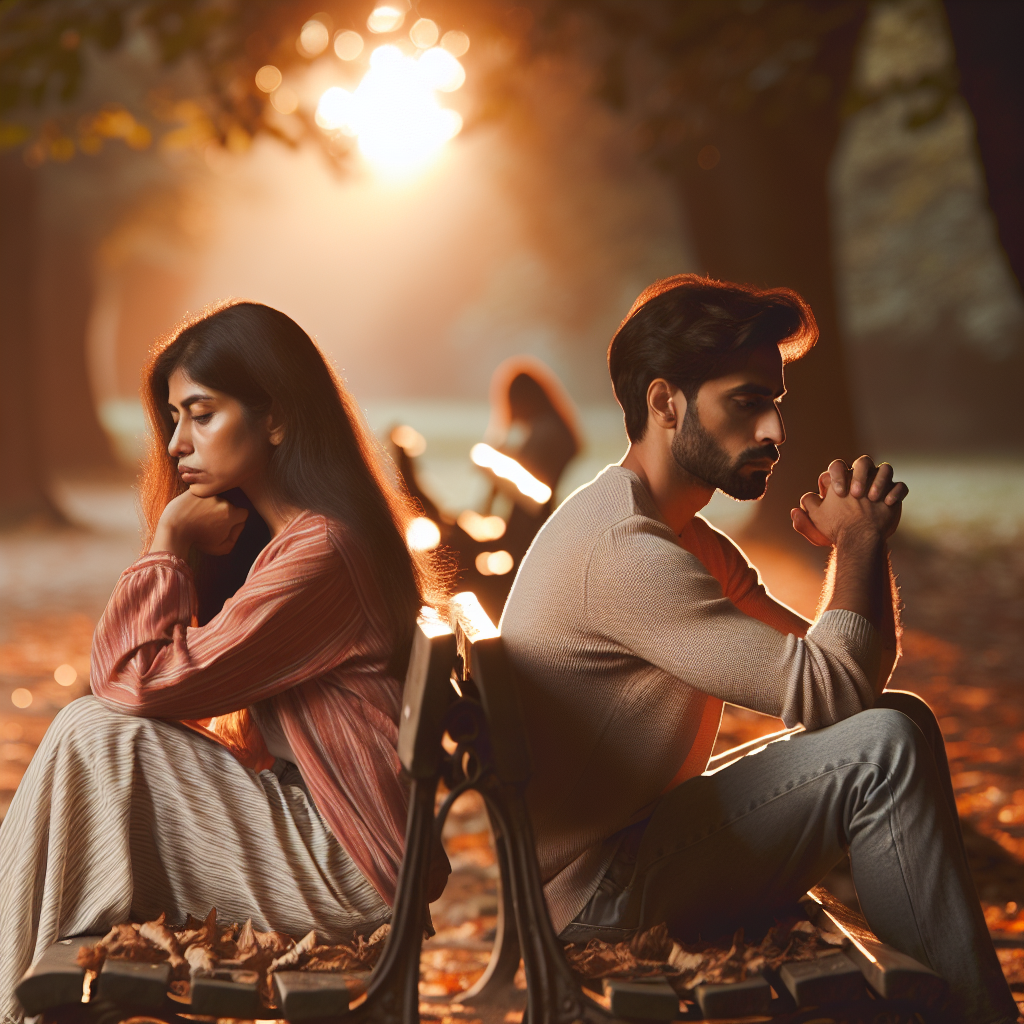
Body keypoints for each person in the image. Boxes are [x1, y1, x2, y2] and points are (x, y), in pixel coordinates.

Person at [500, 275, 1017, 1024]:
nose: (775, 430)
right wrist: (861, 541)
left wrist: (855, 555)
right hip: (589, 900)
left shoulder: (681, 536)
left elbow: (850, 683)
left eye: (776, 403)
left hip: (626, 855)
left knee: (894, 723)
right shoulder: (626, 551)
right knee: (883, 746)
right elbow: (837, 692)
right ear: (664, 401)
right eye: (747, 402)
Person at [0, 301, 449, 1020]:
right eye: (174, 417)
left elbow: (132, 682)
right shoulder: (302, 541)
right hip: (337, 838)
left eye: (200, 414)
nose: (177, 442)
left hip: (350, 869)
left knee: (96, 732)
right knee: (95, 740)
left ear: (274, 417)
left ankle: (13, 999)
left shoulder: (321, 553)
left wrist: (168, 545)